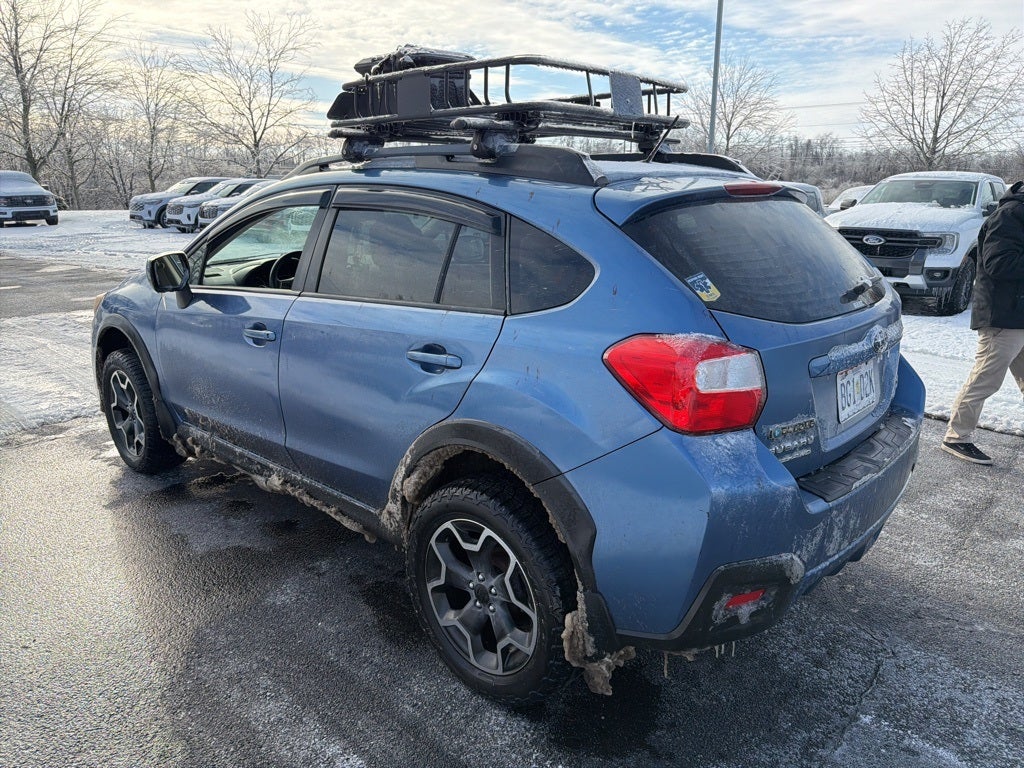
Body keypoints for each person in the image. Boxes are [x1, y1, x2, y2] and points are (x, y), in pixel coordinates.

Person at [942, 181, 1024, 464]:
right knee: (985, 380)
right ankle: (956, 437)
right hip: (1002, 315)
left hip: (1019, 314)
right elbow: (998, 263)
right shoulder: (1010, 214)